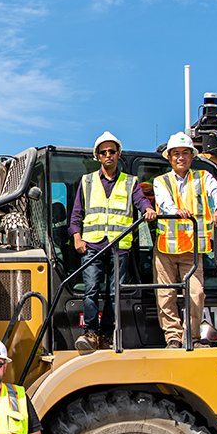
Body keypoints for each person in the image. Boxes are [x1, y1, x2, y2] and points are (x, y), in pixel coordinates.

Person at [67, 131, 154, 353]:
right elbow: (77, 213)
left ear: (118, 154)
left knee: (115, 292)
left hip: (118, 245)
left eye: (112, 151)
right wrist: (77, 236)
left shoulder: (130, 183)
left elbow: (141, 201)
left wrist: (148, 209)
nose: (108, 155)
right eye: (103, 152)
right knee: (91, 290)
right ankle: (91, 332)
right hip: (93, 245)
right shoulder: (87, 182)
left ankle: (107, 334)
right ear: (97, 156)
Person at [148, 131, 217, 347]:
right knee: (165, 294)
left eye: (185, 153)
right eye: (176, 153)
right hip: (166, 247)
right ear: (169, 157)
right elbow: (164, 202)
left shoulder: (204, 178)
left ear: (192, 156)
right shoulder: (160, 181)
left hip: (193, 249)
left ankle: (191, 337)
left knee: (196, 293)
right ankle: (173, 338)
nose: (180, 157)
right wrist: (176, 211)